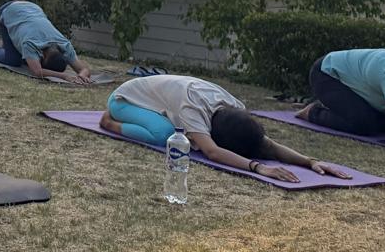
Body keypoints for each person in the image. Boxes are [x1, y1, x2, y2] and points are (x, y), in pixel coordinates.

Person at [105, 74, 353, 182]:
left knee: (170, 130)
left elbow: (265, 143)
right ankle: (110, 121)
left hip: (155, 98)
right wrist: (258, 167)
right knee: (165, 136)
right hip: (124, 99)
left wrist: (309, 162)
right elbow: (212, 152)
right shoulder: (193, 112)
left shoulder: (234, 107)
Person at [0, 0, 95, 84]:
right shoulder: (30, 43)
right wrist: (64, 76)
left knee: (28, 59)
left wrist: (82, 76)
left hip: (32, 7)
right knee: (13, 61)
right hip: (8, 10)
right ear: (43, 56)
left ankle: (13, 48)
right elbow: (37, 72)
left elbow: (85, 69)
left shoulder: (65, 45)